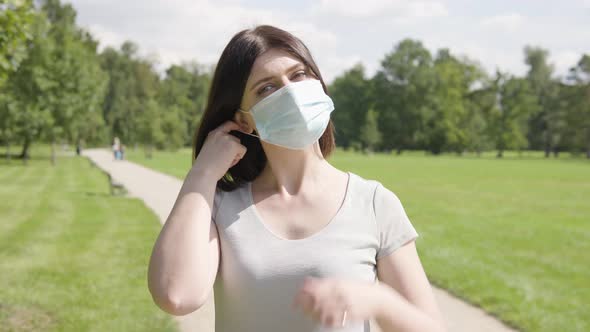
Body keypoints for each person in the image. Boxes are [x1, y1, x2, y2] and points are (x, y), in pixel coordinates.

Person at [148, 25, 446, 332]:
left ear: (318, 81)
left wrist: (378, 300)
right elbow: (176, 295)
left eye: (299, 74)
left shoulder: (373, 203)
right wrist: (203, 173)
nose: (290, 91)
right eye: (266, 88)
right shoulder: (219, 206)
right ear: (243, 120)